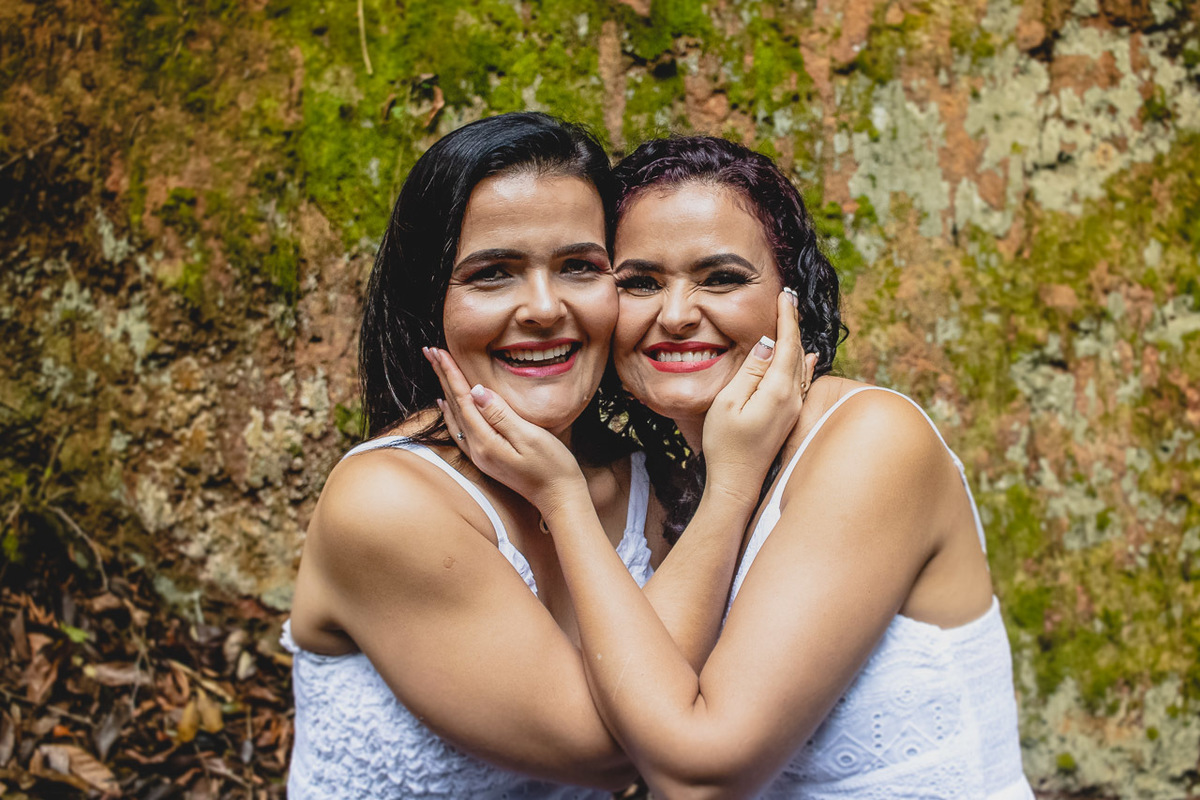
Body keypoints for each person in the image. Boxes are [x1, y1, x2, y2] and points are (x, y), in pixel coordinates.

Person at [433, 135, 1033, 799]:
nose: (676, 316)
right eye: (639, 283)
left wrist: (562, 498)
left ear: (791, 297)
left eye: (720, 278)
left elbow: (701, 776)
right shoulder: (682, 486)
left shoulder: (870, 440)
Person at [284, 115, 811, 799]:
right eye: (492, 274)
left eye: (579, 267)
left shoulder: (644, 480)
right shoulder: (387, 503)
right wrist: (731, 486)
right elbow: (620, 748)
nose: (543, 307)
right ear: (429, 299)